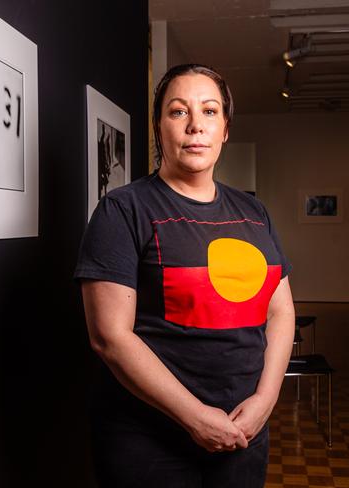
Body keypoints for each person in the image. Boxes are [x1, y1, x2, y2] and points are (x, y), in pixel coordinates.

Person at [74, 64, 295, 487]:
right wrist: (196, 418)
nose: (196, 125)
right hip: (150, 440)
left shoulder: (255, 213)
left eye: (210, 111)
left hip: (243, 435)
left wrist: (265, 401)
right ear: (159, 127)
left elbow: (281, 312)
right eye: (178, 112)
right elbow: (109, 337)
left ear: (225, 129)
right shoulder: (123, 210)